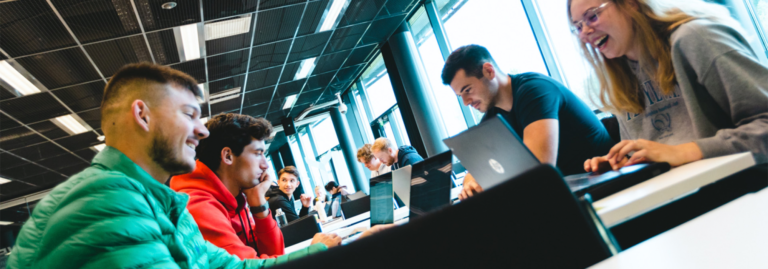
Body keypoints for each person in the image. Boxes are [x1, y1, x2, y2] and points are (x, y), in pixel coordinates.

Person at [6, 63, 339, 268]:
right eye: (188, 115)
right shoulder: (107, 201)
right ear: (142, 115)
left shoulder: (163, 206)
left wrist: (323, 254)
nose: (203, 130)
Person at [568, 0, 768, 172]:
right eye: (577, 27)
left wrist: (683, 152)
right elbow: (659, 153)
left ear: (630, 4)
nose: (584, 32)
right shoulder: (620, 76)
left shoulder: (695, 37)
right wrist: (627, 164)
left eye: (592, 16)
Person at [441, 45, 615, 200]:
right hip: (564, 192)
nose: (465, 102)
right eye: (460, 96)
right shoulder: (492, 116)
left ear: (489, 71)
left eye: (467, 90)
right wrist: (470, 182)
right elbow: (480, 170)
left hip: (603, 184)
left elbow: (539, 171)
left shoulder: (535, 91)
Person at [171, 113, 337, 259]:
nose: (265, 165)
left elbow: (274, 256)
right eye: (258, 154)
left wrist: (258, 204)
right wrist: (314, 253)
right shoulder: (197, 206)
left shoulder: (236, 198)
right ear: (228, 156)